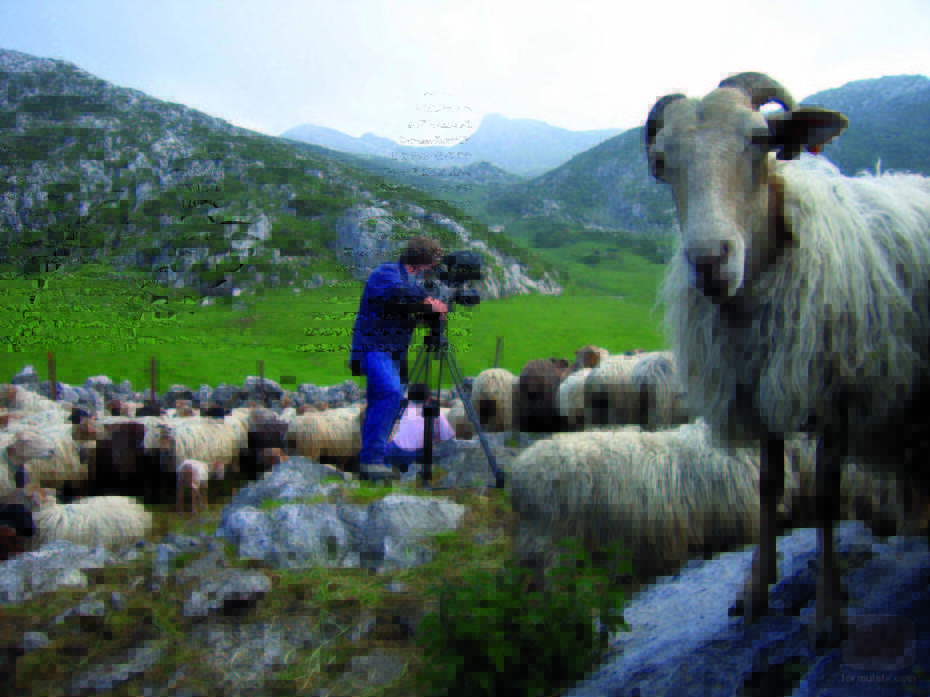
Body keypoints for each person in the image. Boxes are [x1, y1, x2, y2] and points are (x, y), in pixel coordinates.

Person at [350, 236, 448, 481]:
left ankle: (376, 458)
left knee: (386, 404)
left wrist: (433, 315)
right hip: (374, 348)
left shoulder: (411, 286)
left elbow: (409, 309)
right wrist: (427, 301)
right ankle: (371, 461)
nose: (432, 270)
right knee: (392, 393)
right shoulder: (386, 273)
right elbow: (397, 292)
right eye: (432, 263)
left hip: (394, 354)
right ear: (421, 260)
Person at [384, 383, 456, 473]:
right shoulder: (433, 411)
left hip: (395, 451)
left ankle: (386, 468)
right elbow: (448, 436)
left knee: (384, 449)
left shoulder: (404, 407)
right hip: (415, 455)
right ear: (428, 398)